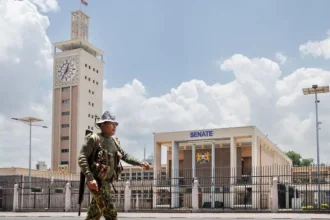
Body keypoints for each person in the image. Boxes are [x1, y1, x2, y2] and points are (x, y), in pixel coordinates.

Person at [78, 111, 150, 220]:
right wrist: (90, 177)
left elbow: (125, 155)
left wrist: (140, 163)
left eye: (115, 124)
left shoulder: (114, 141)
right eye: (112, 124)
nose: (114, 127)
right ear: (102, 125)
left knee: (94, 213)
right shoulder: (94, 139)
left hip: (107, 182)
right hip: (96, 182)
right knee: (110, 211)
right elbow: (82, 157)